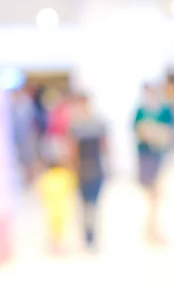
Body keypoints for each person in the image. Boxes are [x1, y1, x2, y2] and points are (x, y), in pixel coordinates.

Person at [134, 84, 174, 243]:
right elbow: (139, 130)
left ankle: (152, 226)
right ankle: (150, 226)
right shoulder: (141, 111)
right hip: (145, 155)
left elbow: (168, 133)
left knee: (156, 192)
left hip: (158, 155)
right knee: (149, 192)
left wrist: (154, 133)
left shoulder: (164, 110)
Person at [68, 94, 107, 251]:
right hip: (87, 169)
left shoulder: (84, 125)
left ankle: (90, 237)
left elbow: (74, 151)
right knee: (88, 206)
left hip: (89, 169)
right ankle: (89, 237)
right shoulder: (80, 125)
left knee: (90, 205)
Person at [36, 161, 77, 255]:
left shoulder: (47, 176)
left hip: (52, 208)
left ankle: (55, 245)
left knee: (54, 228)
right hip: (61, 207)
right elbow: (72, 186)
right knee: (60, 228)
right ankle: (58, 245)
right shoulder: (64, 175)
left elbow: (39, 191)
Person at [10, 87, 37, 184]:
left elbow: (32, 120)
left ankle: (29, 180)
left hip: (27, 136)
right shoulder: (12, 103)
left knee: (28, 159)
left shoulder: (26, 103)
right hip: (16, 137)